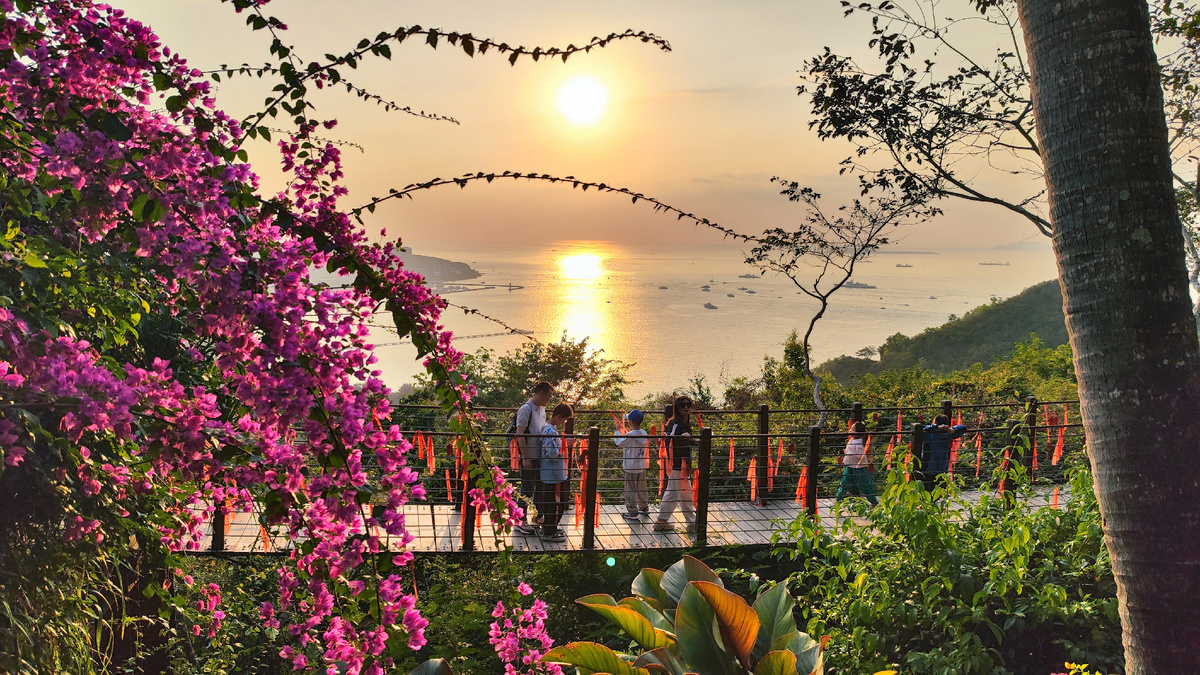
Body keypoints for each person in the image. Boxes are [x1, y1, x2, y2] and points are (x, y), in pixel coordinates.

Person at [514, 382, 552, 535]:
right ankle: (519, 520)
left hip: (540, 455)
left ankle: (537, 516)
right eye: (548, 396)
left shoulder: (541, 409)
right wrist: (525, 457)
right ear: (541, 393)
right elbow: (520, 434)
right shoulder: (526, 409)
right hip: (529, 455)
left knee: (539, 487)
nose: (549, 400)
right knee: (526, 489)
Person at [654, 396, 696, 533]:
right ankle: (692, 523)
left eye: (688, 405)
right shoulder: (676, 423)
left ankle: (661, 520)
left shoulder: (683, 422)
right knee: (685, 492)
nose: (686, 407)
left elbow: (683, 440)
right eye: (682, 405)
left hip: (680, 462)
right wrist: (681, 438)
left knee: (672, 492)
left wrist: (693, 441)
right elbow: (668, 440)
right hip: (678, 463)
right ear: (677, 408)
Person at [537, 403, 574, 543]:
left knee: (550, 502)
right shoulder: (551, 432)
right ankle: (549, 531)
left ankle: (549, 526)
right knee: (555, 503)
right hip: (553, 474)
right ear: (558, 417)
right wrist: (566, 445)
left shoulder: (548, 429)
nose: (564, 423)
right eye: (564, 420)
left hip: (550, 474)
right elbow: (552, 454)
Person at [918, 414, 967, 493]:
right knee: (929, 489)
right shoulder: (929, 435)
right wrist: (937, 428)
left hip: (939, 468)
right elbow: (923, 429)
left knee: (936, 491)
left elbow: (964, 428)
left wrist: (953, 429)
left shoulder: (947, 435)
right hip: (930, 468)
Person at [615, 409, 650, 521]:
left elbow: (619, 443)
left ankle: (632, 511)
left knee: (630, 489)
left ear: (631, 421)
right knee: (642, 488)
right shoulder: (643, 433)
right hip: (641, 465)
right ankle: (644, 507)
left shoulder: (630, 435)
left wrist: (617, 431)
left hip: (630, 466)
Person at [835, 422, 878, 506]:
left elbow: (861, 455)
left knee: (865, 486)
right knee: (844, 484)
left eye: (853, 429)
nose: (850, 430)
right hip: (850, 466)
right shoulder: (853, 440)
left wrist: (849, 454)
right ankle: (838, 500)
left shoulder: (860, 443)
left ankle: (873, 501)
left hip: (859, 468)